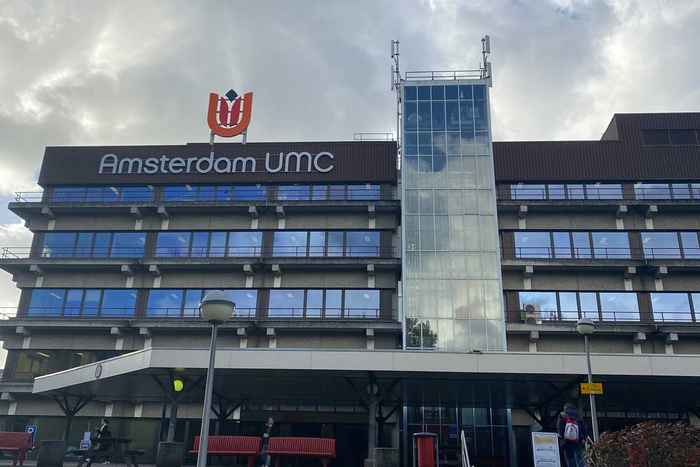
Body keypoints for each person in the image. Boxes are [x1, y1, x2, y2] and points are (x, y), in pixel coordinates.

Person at [557, 403, 587, 467]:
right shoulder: (578, 416)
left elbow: (560, 429)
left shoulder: (563, 416)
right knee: (580, 459)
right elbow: (584, 428)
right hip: (578, 441)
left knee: (570, 460)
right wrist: (584, 438)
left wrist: (562, 438)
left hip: (566, 442)